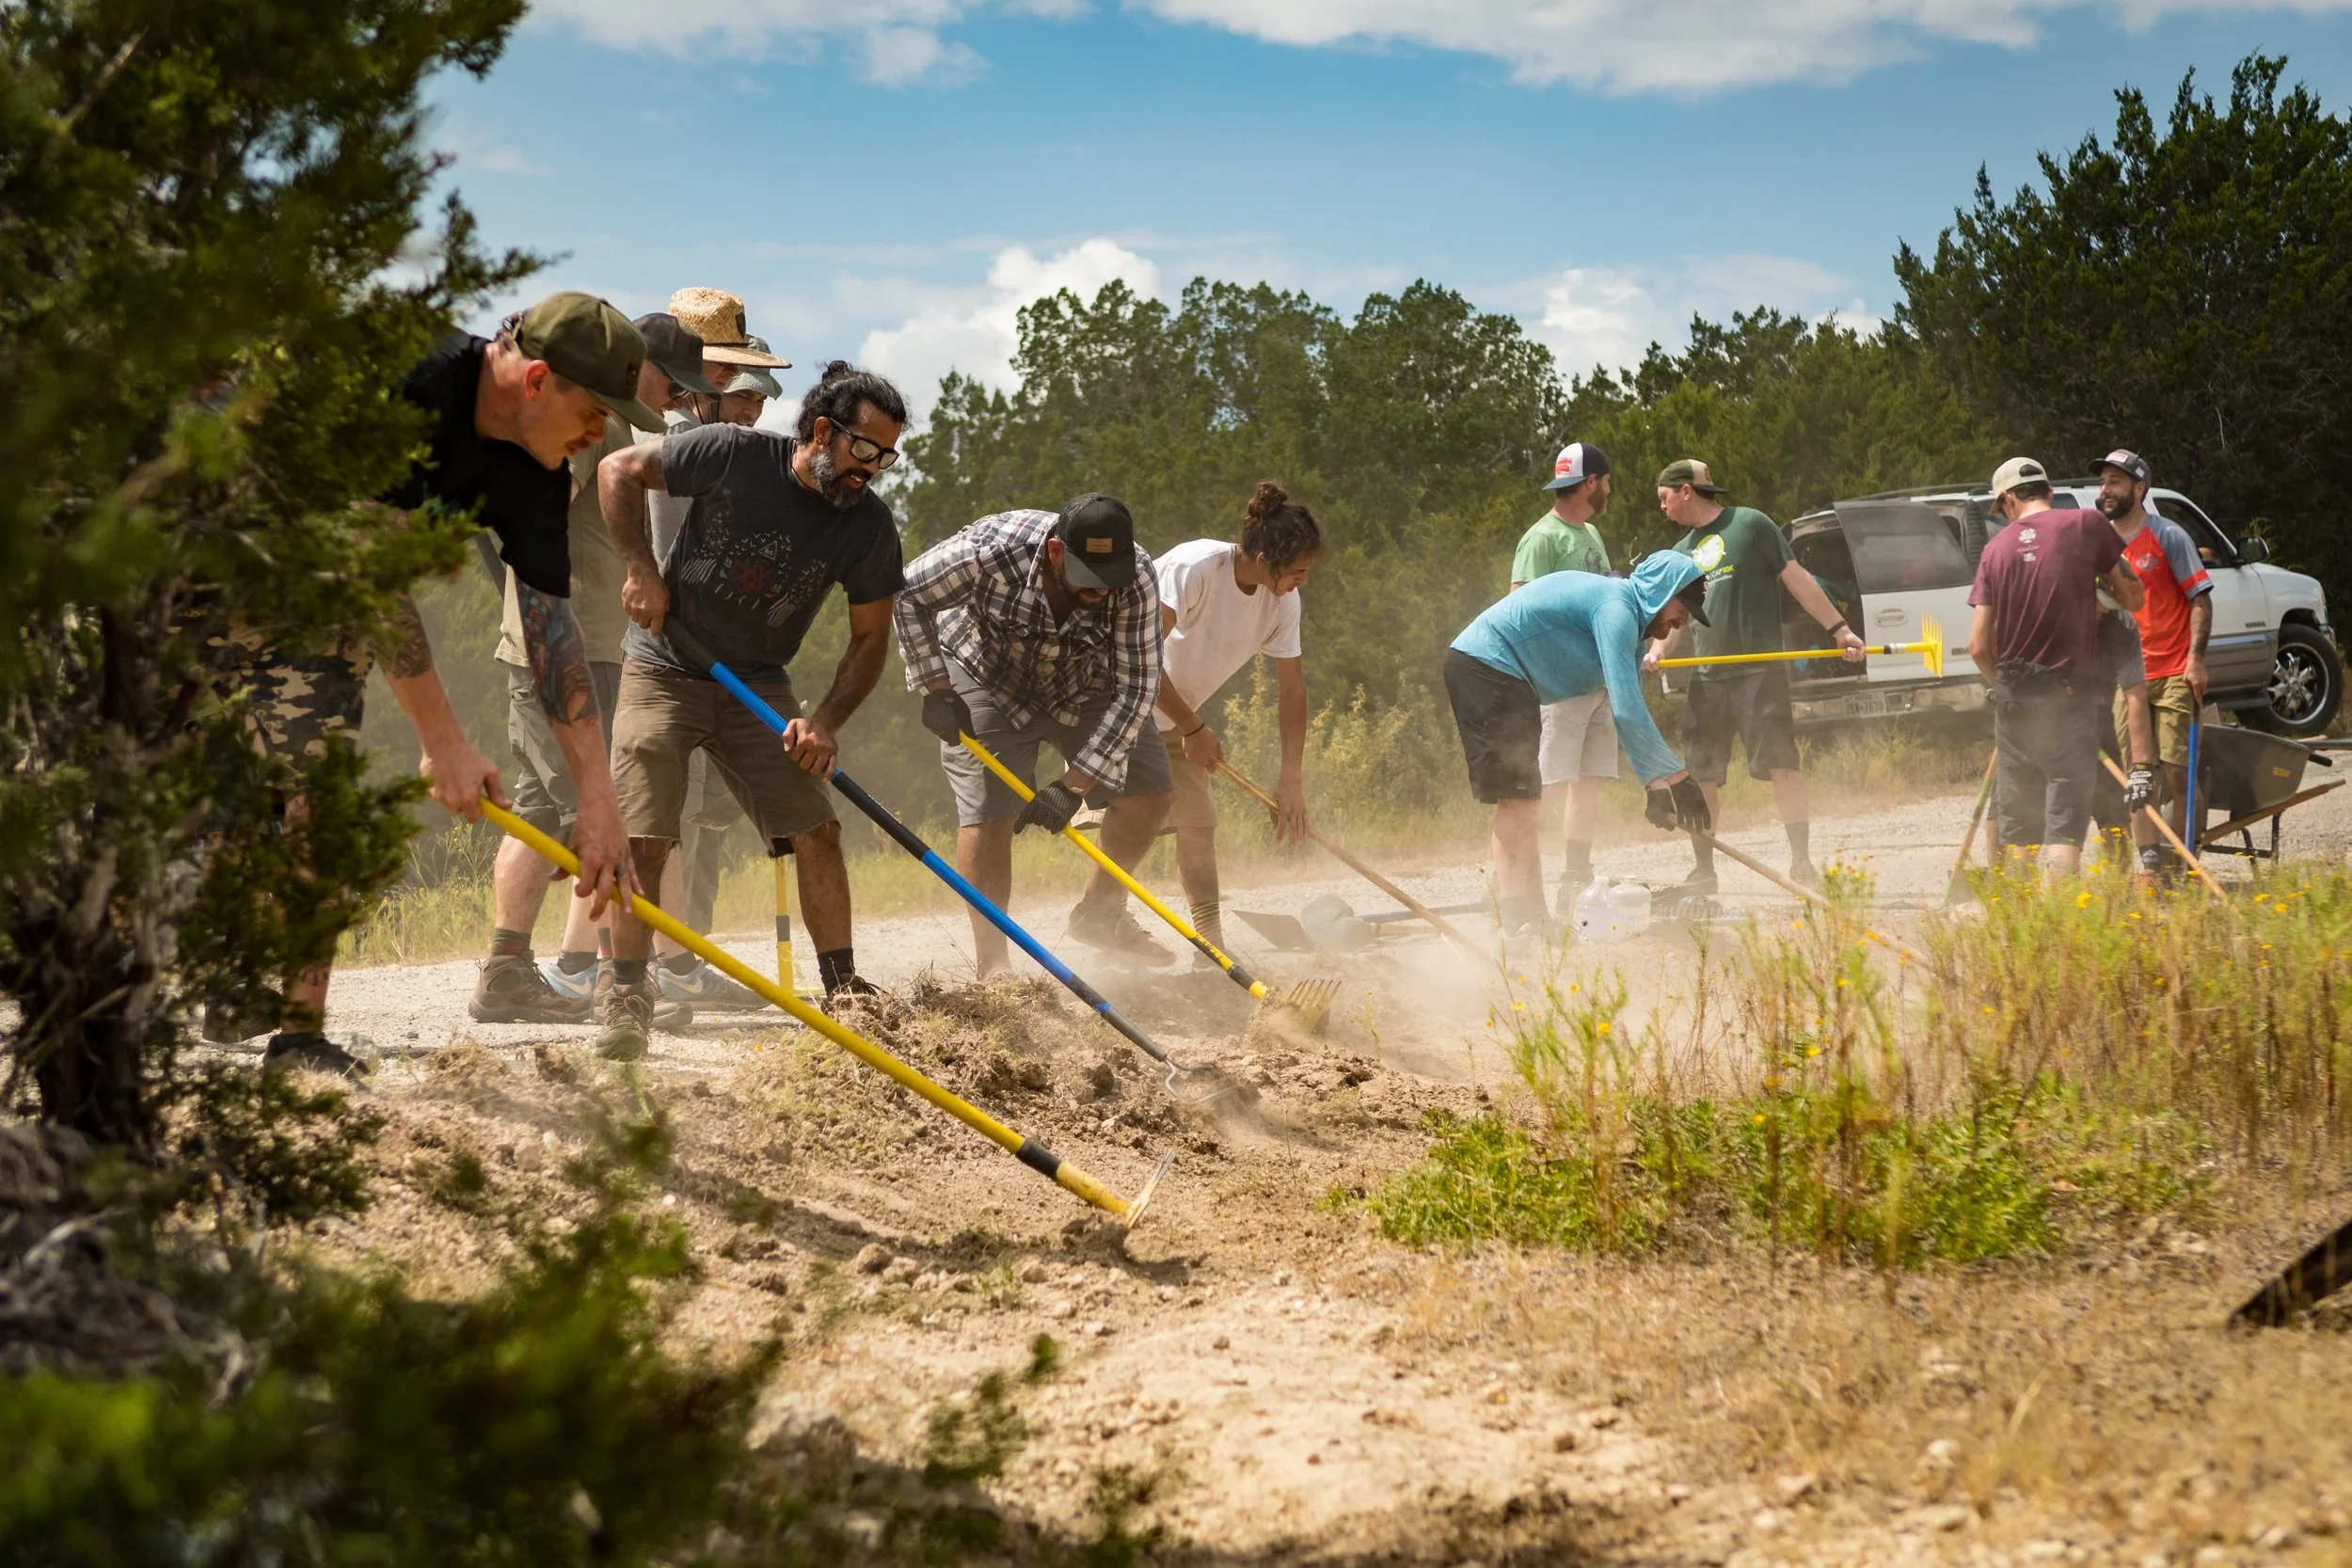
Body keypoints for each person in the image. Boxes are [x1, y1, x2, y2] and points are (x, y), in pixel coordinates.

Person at [204, 292, 660, 1073]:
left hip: (318, 595)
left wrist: (598, 796)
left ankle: (298, 1035)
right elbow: (373, 562)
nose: (603, 432)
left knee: (320, 788)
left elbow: (553, 631)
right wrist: (441, 741)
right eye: (594, 410)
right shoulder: (410, 379)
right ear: (538, 379)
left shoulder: (536, 477)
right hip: (193, 549)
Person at [595, 361, 906, 1059]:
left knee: (817, 828)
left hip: (757, 682)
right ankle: (624, 989)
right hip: (664, 665)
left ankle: (843, 988)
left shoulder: (869, 528)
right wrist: (640, 568)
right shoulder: (732, 453)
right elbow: (616, 470)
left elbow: (868, 640)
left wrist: (823, 722)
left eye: (887, 457)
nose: (872, 470)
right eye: (864, 450)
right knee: (646, 834)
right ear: (823, 431)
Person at [469, 311, 716, 1024]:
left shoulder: (608, 420)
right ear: (639, 364)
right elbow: (539, 503)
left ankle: (509, 970)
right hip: (573, 646)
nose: (675, 398)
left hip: (572, 640)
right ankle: (619, 983)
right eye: (673, 382)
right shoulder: (597, 424)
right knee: (602, 809)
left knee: (541, 810)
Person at [897, 496, 1173, 974]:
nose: (1103, 589)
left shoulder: (1138, 579)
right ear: (1055, 553)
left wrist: (1076, 785)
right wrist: (936, 687)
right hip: (986, 675)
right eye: (1091, 577)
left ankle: (1100, 916)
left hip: (1086, 681)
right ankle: (995, 967)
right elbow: (906, 595)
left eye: (1112, 577)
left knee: (1150, 792)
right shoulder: (988, 553)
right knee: (989, 810)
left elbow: (1137, 690)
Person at [619, 292, 793, 1018]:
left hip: (707, 654)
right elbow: (663, 554)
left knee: (692, 819)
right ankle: (633, 972)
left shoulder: (701, 430)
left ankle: (678, 963)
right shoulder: (669, 433)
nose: (743, 397)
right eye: (731, 375)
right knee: (651, 822)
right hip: (666, 655)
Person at [1448, 554, 1714, 933]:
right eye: (1682, 607)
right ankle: (1513, 922)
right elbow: (1625, 709)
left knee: (1527, 799)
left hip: (1505, 676)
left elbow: (1630, 707)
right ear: (1660, 593)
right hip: (1486, 665)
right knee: (1517, 801)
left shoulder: (1631, 625)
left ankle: (1533, 915)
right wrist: (1677, 777)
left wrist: (1655, 785)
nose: (1682, 621)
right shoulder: (1617, 609)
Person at [1643, 459, 1866, 892]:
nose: (1663, 508)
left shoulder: (1751, 525)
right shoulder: (1679, 554)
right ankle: (1704, 870)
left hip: (1760, 674)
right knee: (1702, 776)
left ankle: (1801, 861)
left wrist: (1839, 629)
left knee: (1782, 765)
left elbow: (1796, 578)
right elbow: (1679, 617)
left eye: (1664, 498)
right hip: (1706, 679)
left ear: (1686, 490)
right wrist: (1657, 648)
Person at [1151, 481, 1323, 965]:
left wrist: (1291, 780)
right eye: (1297, 571)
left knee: (1199, 826)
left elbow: (1292, 690)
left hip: (1174, 718)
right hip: (1120, 705)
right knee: (1135, 821)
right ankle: (1102, 917)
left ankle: (1209, 948)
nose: (1303, 581)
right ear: (1265, 557)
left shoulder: (1283, 602)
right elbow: (1139, 661)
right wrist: (1193, 729)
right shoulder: (1196, 566)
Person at [1965, 457, 2146, 874]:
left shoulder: (1994, 550)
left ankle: (2022, 929)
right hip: (2069, 698)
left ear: (2008, 498)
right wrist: (2101, 597)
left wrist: (2003, 685)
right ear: (2048, 490)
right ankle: (2066, 929)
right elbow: (2134, 597)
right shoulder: (2086, 525)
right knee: (2063, 828)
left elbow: (1977, 647)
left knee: (2020, 834)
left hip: (2015, 706)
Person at [1509, 441, 1617, 914]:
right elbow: (1519, 606)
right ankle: (1517, 876)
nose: (1610, 489)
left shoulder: (1591, 534)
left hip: (1597, 677)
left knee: (1588, 780)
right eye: (1607, 481)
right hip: (1559, 684)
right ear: (1590, 482)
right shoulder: (1542, 537)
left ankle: (1576, 873)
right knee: (1550, 784)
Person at [2095, 449, 2213, 859]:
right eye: (2103, 482)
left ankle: (2186, 860)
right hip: (2127, 681)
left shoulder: (2168, 536)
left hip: (2174, 671)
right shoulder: (2100, 544)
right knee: (2138, 777)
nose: (2106, 490)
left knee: (2179, 772)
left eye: (2115, 482)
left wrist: (2195, 660)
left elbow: (2200, 600)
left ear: (2139, 489)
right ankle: (2148, 864)